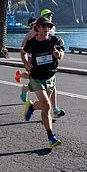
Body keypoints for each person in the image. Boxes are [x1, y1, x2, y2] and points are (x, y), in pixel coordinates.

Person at [21, 16, 65, 148]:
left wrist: (59, 55)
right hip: (36, 78)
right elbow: (23, 53)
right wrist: (26, 65)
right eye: (44, 26)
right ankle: (51, 136)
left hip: (50, 77)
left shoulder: (54, 40)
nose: (47, 29)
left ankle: (31, 107)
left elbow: (62, 53)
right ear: (38, 28)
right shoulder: (32, 43)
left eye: (49, 26)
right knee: (47, 105)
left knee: (43, 105)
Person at [39, 9, 65, 118]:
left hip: (51, 63)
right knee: (40, 87)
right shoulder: (39, 28)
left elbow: (58, 47)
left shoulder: (52, 28)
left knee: (52, 87)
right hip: (40, 64)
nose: (50, 17)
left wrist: (59, 50)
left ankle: (53, 110)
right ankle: (32, 105)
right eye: (48, 15)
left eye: (51, 15)